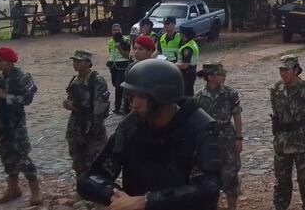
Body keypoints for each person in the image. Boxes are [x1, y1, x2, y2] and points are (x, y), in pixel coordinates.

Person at [77, 59, 221, 210]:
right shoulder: (130, 127)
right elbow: (89, 178)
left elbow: (208, 190)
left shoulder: (200, 128)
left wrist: (147, 202)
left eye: (142, 97)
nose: (134, 105)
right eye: (132, 97)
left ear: (163, 97)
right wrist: (115, 196)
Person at [270, 55, 305, 210]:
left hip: (303, 143)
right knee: (282, 181)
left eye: (286, 70)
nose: (283, 73)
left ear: (295, 70)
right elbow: (276, 112)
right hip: (282, 142)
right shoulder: (276, 89)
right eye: (281, 70)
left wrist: (302, 126)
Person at [0, 47, 42, 205]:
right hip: (0, 122)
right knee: (6, 155)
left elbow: (27, 99)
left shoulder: (22, 77)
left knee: (22, 156)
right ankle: (13, 189)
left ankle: (36, 191)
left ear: (10, 61)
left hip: (16, 124)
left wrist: (5, 96)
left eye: (1, 60)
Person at [194, 62, 243, 210]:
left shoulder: (230, 93)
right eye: (220, 74)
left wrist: (239, 138)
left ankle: (232, 207)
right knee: (209, 176)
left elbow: (237, 115)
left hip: (227, 138)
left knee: (231, 175)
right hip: (208, 140)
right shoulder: (199, 97)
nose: (224, 76)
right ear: (210, 77)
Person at [63, 50, 110, 176]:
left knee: (96, 159)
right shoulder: (75, 80)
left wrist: (94, 127)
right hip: (76, 124)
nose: (75, 64)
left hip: (92, 124)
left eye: (79, 61)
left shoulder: (96, 80)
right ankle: (81, 184)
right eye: (74, 61)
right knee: (78, 160)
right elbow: (69, 99)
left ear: (88, 63)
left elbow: (101, 106)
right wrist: (67, 104)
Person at [107, 23, 131, 115]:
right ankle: (121, 106)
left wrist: (119, 48)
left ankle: (118, 108)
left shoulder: (125, 40)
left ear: (121, 30)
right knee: (115, 84)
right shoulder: (110, 41)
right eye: (114, 30)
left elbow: (127, 55)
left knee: (119, 86)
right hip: (113, 66)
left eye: (118, 30)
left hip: (122, 66)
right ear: (111, 31)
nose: (116, 31)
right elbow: (110, 52)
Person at [177, 25, 199, 97]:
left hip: (187, 73)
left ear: (183, 34)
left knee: (185, 94)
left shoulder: (187, 48)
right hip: (191, 71)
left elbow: (185, 65)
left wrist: (171, 65)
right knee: (189, 92)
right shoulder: (192, 43)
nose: (179, 34)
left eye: (180, 33)